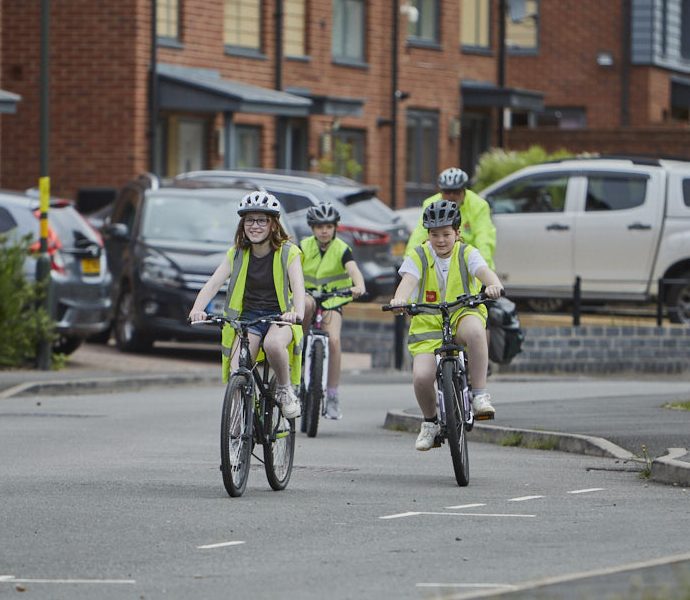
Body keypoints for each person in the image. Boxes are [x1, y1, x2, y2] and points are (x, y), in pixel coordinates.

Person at [390, 199, 504, 451]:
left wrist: (493, 285)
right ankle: (430, 422)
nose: (440, 240)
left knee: (476, 332)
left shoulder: (467, 252)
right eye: (434, 234)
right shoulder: (418, 254)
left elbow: (485, 272)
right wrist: (400, 299)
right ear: (427, 234)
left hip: (462, 313)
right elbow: (408, 281)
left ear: (457, 233)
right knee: (421, 377)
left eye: (446, 234)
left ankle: (479, 394)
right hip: (428, 322)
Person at [189, 191, 305, 419]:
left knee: (273, 345)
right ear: (243, 224)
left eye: (262, 220)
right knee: (238, 371)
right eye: (249, 220)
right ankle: (241, 426)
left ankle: (284, 389)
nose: (255, 225)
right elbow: (212, 285)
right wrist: (197, 309)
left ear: (273, 225)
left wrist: (296, 314)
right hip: (247, 320)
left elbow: (299, 288)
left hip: (279, 318)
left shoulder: (288, 253)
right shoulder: (237, 254)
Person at [300, 203, 366, 420]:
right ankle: (298, 349)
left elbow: (354, 271)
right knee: (306, 307)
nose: (324, 230)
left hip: (332, 300)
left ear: (335, 227)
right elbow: (290, 270)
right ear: (312, 228)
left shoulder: (342, 249)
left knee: (334, 341)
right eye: (319, 226)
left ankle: (332, 395)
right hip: (308, 297)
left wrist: (358, 286)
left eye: (328, 226)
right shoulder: (303, 246)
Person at [405, 167, 496, 269]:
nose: (452, 196)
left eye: (456, 191)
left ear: (464, 190)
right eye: (447, 192)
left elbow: (484, 238)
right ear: (441, 191)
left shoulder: (479, 205)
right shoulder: (431, 204)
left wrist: (484, 267)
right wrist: (409, 261)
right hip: (440, 261)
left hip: (470, 262)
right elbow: (419, 235)